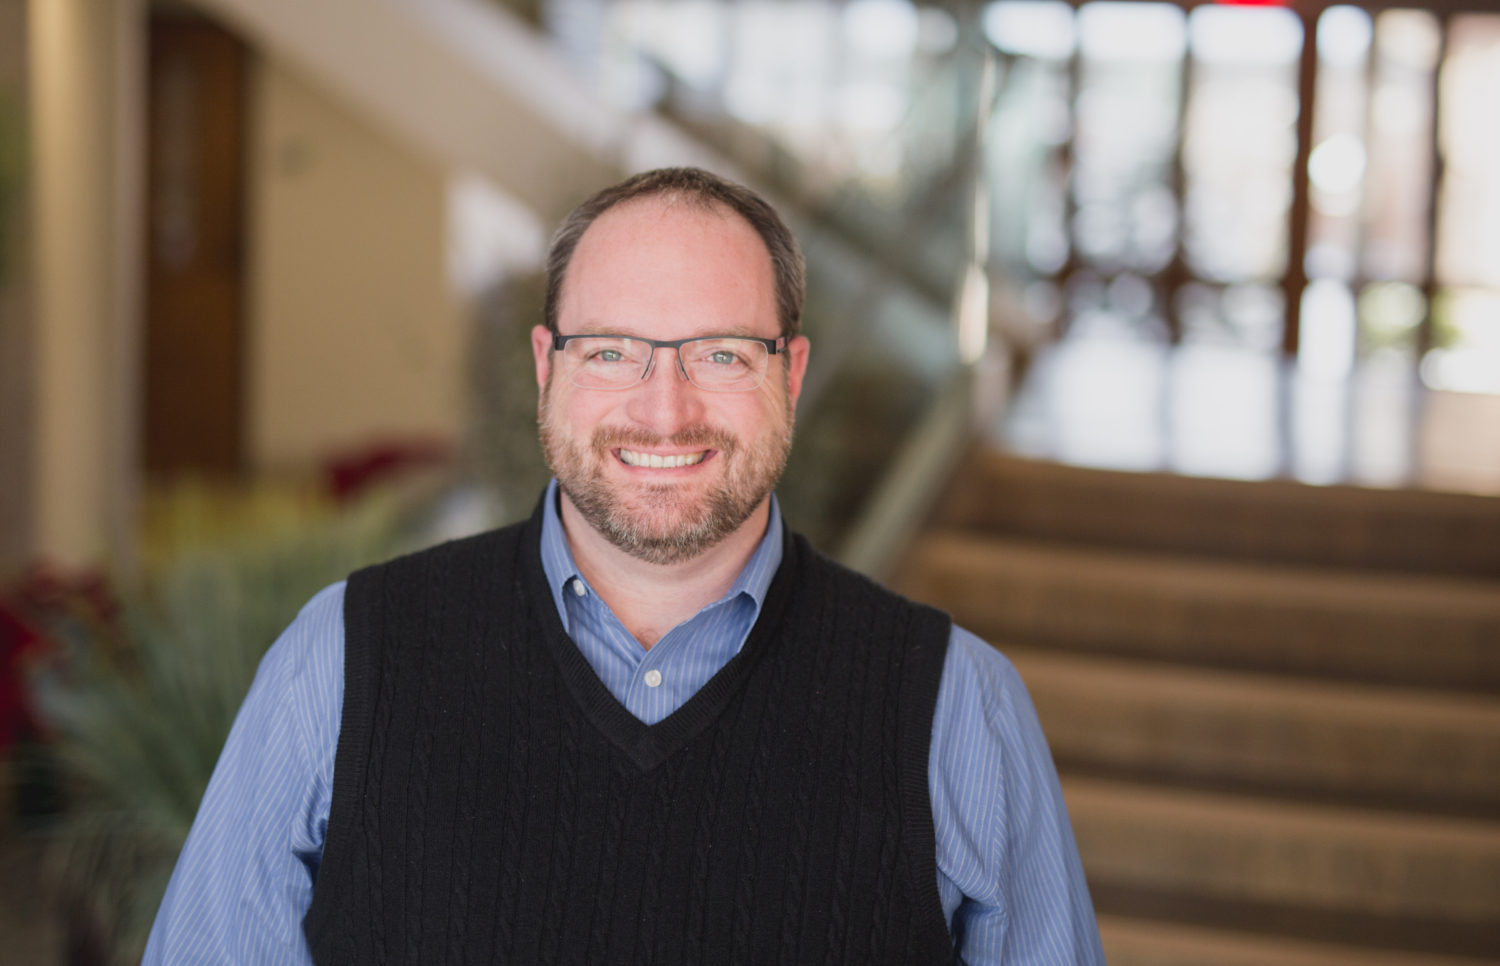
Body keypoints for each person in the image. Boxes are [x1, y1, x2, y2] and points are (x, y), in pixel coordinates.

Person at [145, 167, 1103, 964]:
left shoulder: (959, 708)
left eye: (722, 355)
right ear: (546, 368)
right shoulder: (343, 663)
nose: (664, 411)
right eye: (610, 352)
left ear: (792, 374)